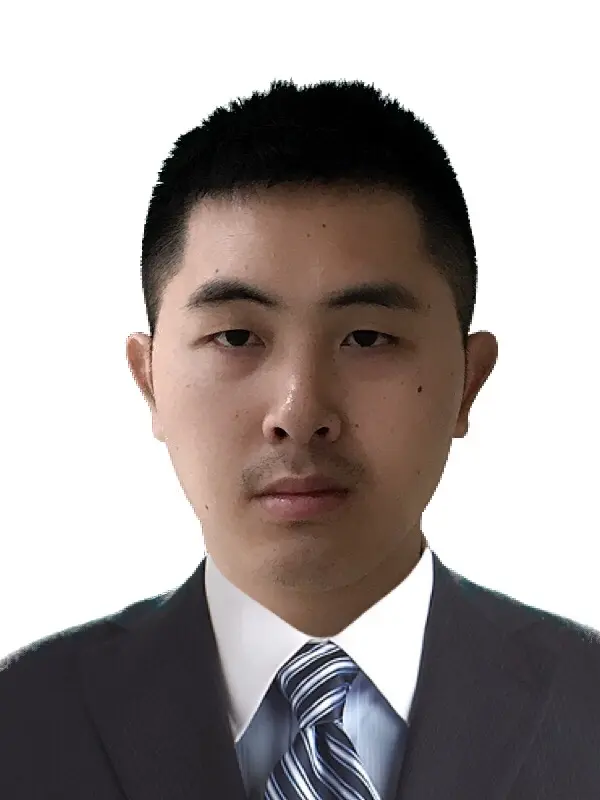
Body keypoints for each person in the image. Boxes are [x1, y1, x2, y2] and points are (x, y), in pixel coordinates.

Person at [1, 78, 598, 799]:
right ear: (150, 380)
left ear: (467, 382)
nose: (299, 408)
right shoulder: (24, 719)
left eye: (367, 337)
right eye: (236, 337)